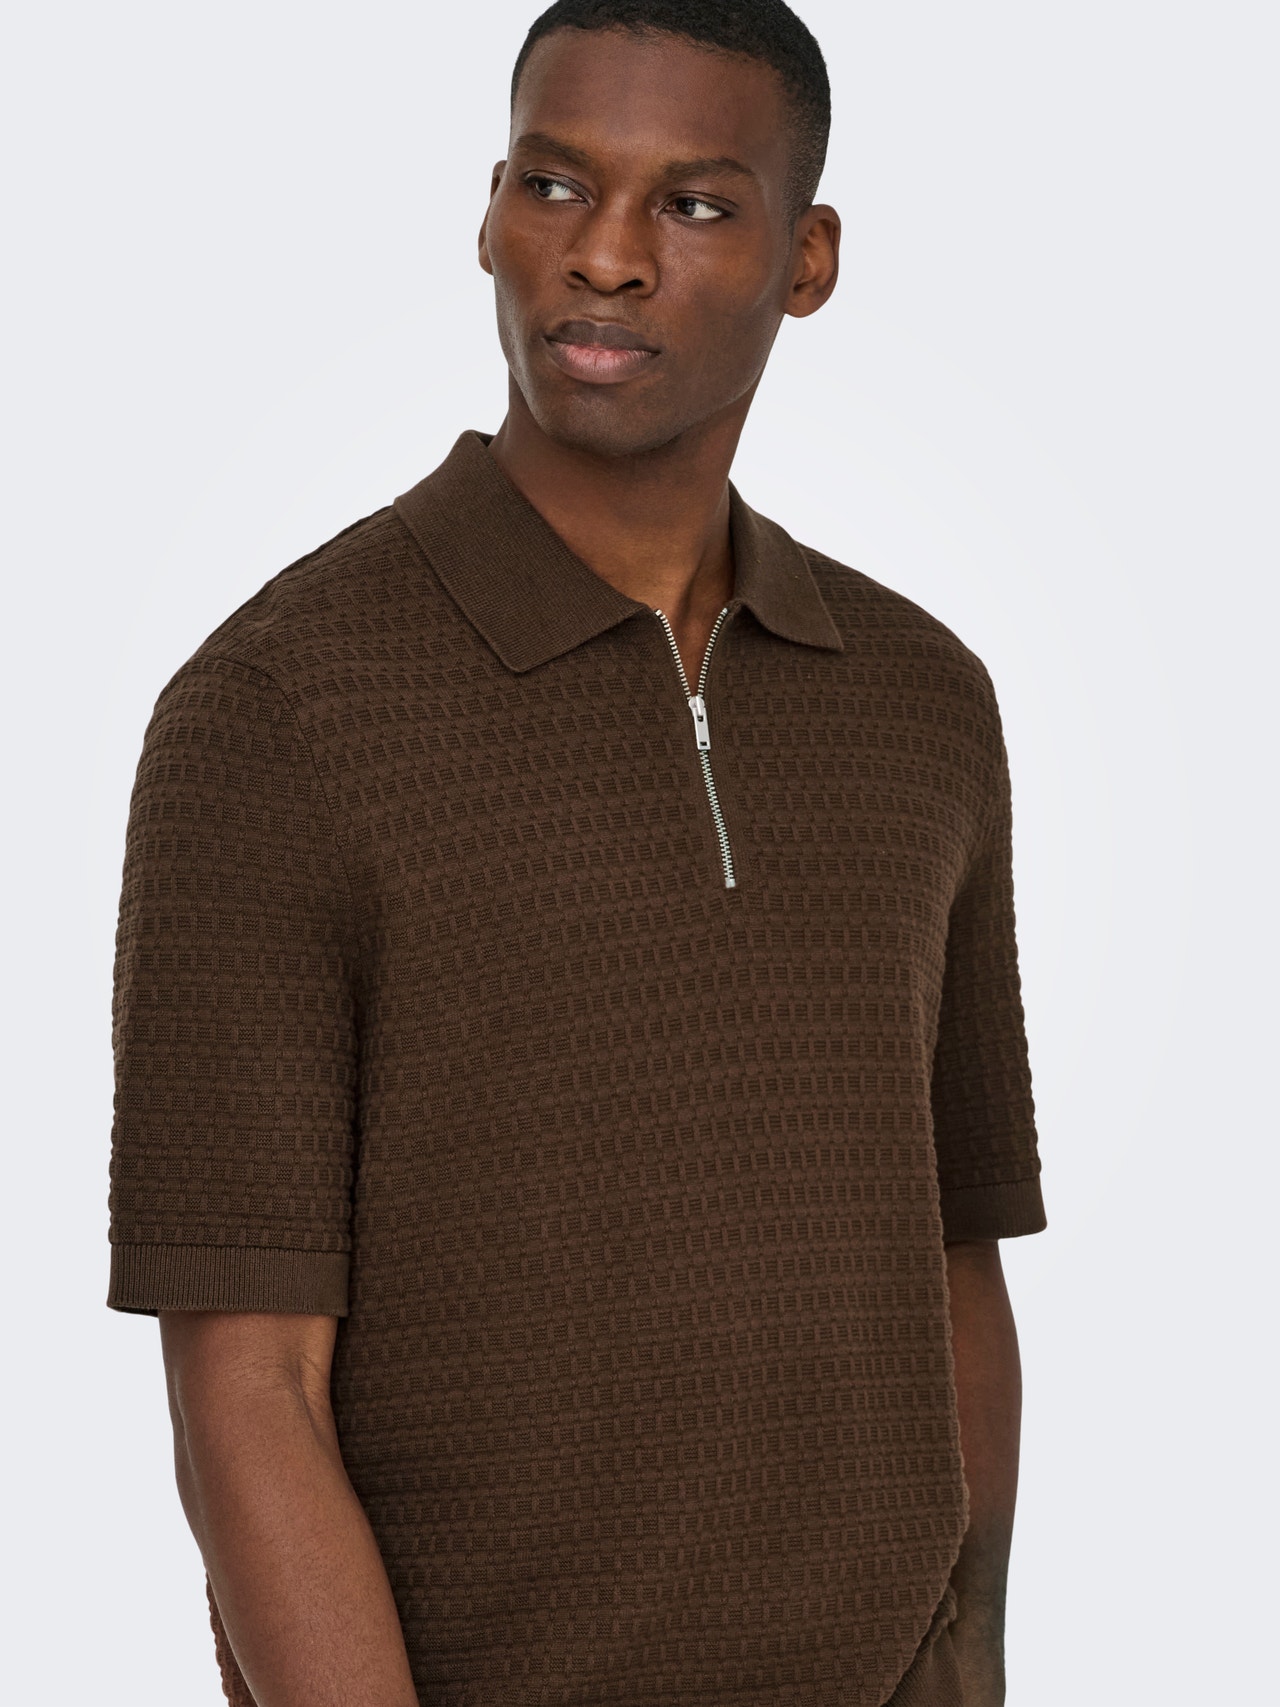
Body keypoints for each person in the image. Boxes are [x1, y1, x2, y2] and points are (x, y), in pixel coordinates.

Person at [105, 2, 1047, 1703]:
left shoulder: (922, 703)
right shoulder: (275, 711)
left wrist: (972, 1667)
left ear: (808, 258)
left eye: (693, 203)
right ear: (488, 216)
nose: (604, 256)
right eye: (553, 184)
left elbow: (954, 1248)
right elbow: (249, 1393)